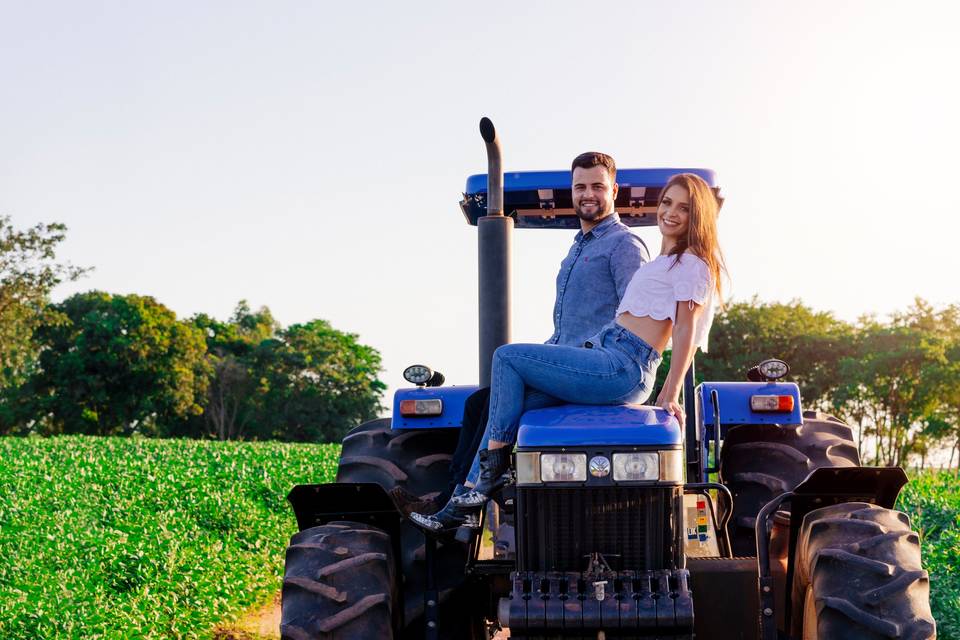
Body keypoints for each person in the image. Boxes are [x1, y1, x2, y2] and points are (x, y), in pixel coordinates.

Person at [411, 172, 726, 532]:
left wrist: (669, 392)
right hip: (610, 355)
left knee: (507, 357)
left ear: (696, 215)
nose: (670, 212)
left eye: (683, 208)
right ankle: (464, 501)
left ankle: (488, 480)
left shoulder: (692, 263)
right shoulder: (664, 262)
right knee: (511, 404)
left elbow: (685, 329)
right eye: (667, 202)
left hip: (623, 363)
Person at [392, 151, 649, 515]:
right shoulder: (579, 247)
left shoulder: (624, 244)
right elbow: (567, 327)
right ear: (571, 191)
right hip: (572, 363)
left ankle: (477, 490)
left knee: (507, 356)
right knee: (482, 402)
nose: (587, 194)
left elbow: (635, 313)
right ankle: (455, 501)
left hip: (598, 366)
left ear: (614, 191)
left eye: (597, 186)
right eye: (580, 186)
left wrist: (587, 349)